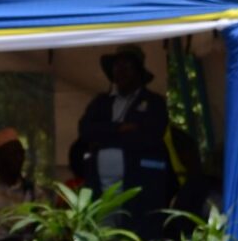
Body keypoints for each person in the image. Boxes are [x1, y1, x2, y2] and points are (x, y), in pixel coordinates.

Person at [72, 44, 172, 226]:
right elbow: (85, 130)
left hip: (138, 188)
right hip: (101, 187)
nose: (121, 71)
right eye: (117, 67)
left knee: (137, 240)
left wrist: (103, 136)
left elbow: (151, 135)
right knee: (105, 239)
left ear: (139, 72)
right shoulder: (101, 102)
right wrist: (119, 129)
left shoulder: (154, 102)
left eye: (127, 67)